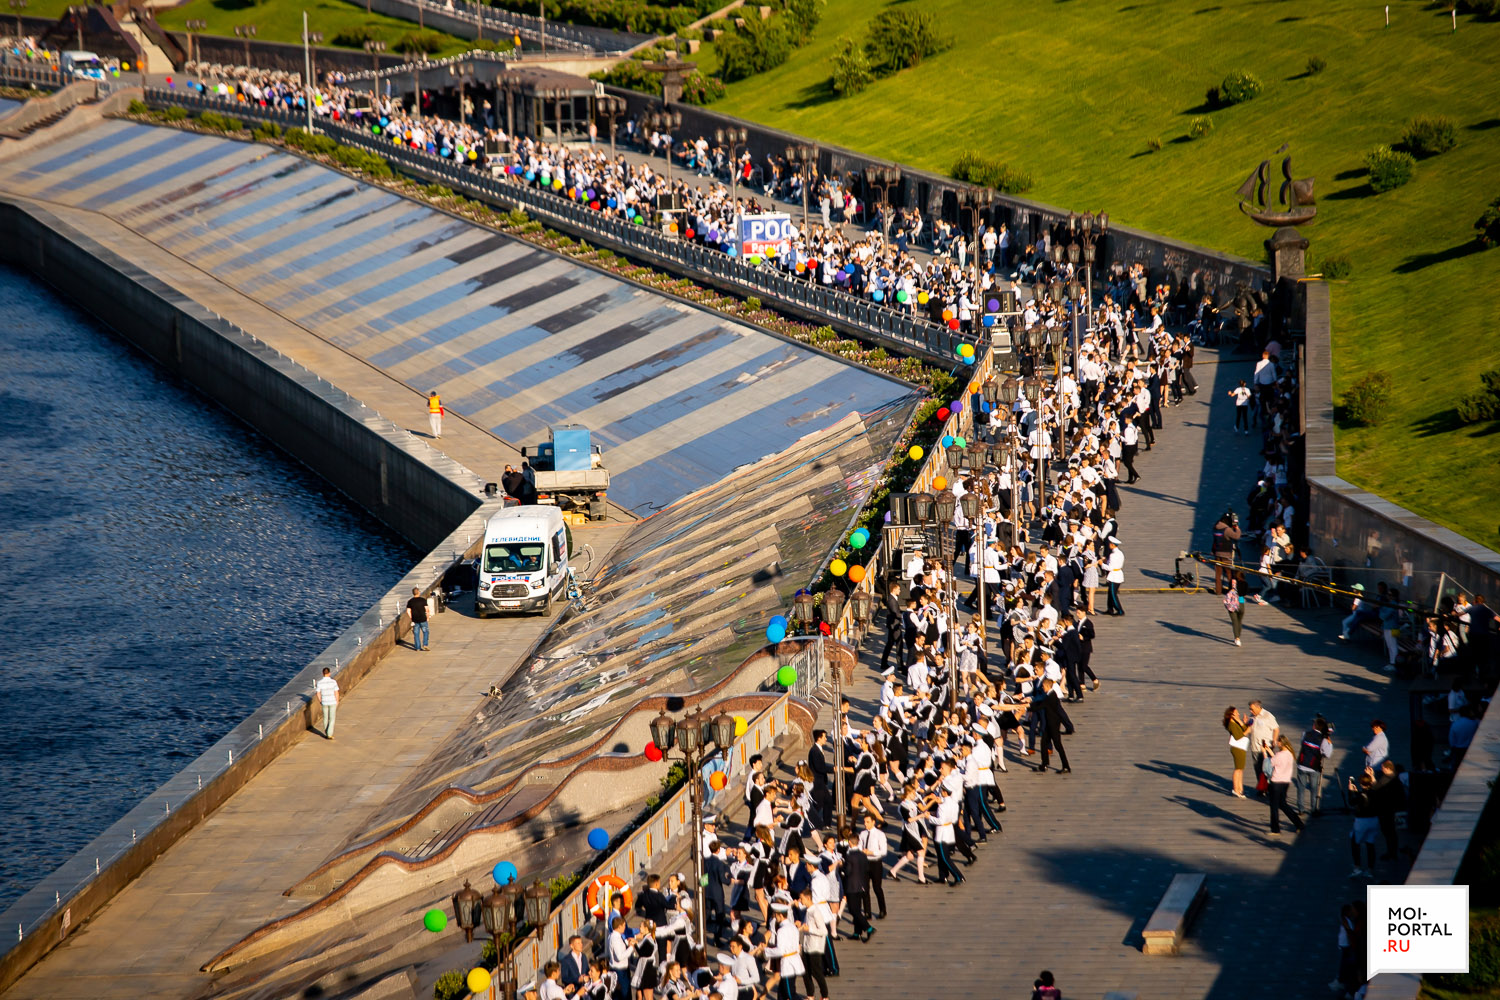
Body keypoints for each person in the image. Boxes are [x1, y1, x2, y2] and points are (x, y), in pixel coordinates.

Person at [1267, 735, 1305, 836]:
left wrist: (1264, 752)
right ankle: (1299, 824)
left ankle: (1275, 829)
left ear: (1280, 743)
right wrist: (1270, 751)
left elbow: (1269, 764)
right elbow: (1276, 759)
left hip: (1276, 782)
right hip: (1285, 782)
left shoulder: (1279, 755)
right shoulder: (1290, 754)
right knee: (1283, 804)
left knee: (1274, 806)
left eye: (1278, 742)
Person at [1295, 716, 1333, 816]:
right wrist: (1330, 743)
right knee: (1314, 789)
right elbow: (1327, 754)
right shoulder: (1323, 740)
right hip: (1313, 767)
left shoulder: (1305, 734)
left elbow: (1302, 744)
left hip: (1301, 765)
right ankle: (1313, 809)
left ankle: (1300, 809)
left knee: (1301, 788)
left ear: (1314, 726)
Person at [1347, 772, 1380, 877]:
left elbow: (1352, 802)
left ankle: (1357, 867)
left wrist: (1351, 791)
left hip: (1362, 821)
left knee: (1355, 842)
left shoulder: (1361, 795)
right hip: (1374, 819)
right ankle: (1370, 869)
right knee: (1370, 844)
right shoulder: (1375, 792)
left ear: (1361, 783)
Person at [1247, 699, 1279, 793]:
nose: (1250, 711)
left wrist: (1274, 741)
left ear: (1258, 707)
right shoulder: (1252, 716)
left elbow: (1276, 729)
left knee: (1267, 769)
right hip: (1255, 747)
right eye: (1250, 709)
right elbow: (1250, 728)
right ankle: (1261, 788)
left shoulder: (1268, 716)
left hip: (1265, 748)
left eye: (1252, 709)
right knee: (1257, 768)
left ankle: (1269, 788)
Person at [1223, 706, 1250, 798]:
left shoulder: (1235, 722)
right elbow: (1238, 736)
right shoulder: (1231, 724)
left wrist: (1243, 722)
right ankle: (1236, 789)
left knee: (1241, 769)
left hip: (1241, 747)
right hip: (1237, 748)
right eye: (1236, 712)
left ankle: (1240, 789)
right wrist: (1248, 731)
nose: (1238, 714)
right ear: (1232, 715)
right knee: (1238, 769)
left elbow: (1244, 729)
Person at [314, 666, 340, 740]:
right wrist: (337, 701)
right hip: (332, 701)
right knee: (332, 718)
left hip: (324, 701)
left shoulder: (319, 683)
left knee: (325, 717)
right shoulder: (333, 682)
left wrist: (320, 701)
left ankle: (326, 732)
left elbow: (318, 693)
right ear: (329, 673)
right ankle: (329, 734)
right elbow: (336, 692)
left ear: (323, 673)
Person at [1103, 537, 1125, 617]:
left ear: (1112, 545)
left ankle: (1119, 610)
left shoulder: (1113, 555)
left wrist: (1101, 564)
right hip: (1117, 574)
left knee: (1113, 594)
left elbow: (1110, 567)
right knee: (1110, 593)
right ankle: (1110, 608)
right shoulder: (1119, 553)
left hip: (1114, 576)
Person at [1224, 574, 1246, 646]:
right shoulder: (1243, 583)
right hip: (1236, 605)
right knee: (1237, 621)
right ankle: (1237, 637)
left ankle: (1237, 637)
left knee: (1237, 621)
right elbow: (1245, 593)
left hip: (1235, 604)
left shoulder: (1235, 585)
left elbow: (1229, 590)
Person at [407, 586, 431, 651]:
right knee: (425, 632)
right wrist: (427, 617)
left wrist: (411, 618)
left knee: (416, 634)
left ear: (413, 593)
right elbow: (427, 610)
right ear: (418, 592)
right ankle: (425, 644)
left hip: (415, 620)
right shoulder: (423, 600)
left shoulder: (410, 601)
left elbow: (408, 611)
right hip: (423, 619)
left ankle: (417, 647)